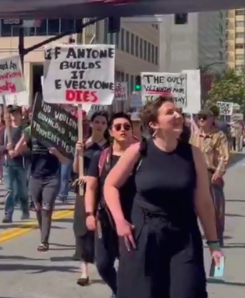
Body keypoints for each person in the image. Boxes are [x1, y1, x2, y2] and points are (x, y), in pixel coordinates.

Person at [104, 97, 224, 298]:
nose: (177, 115)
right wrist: (119, 221)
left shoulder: (193, 154)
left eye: (178, 112)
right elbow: (110, 185)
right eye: (170, 112)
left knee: (188, 292)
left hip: (183, 238)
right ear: (153, 124)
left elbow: (204, 202)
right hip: (144, 238)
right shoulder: (138, 152)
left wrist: (214, 244)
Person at [85, 112, 138, 297]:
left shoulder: (140, 157)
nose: (123, 130)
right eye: (118, 127)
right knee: (103, 264)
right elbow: (91, 187)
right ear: (110, 132)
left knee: (127, 263)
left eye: (127, 126)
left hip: (133, 219)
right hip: (105, 219)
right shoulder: (101, 157)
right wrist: (89, 214)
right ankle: (120, 292)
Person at [10, 110, 75, 255]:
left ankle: (44, 240)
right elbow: (16, 150)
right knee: (38, 209)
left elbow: (66, 160)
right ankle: (43, 232)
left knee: (46, 208)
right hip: (35, 177)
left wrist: (56, 153)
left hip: (52, 177)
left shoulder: (56, 135)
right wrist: (24, 137)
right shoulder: (30, 133)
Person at [72, 111, 109, 284]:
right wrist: (78, 152)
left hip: (104, 191)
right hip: (84, 191)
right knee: (82, 229)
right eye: (97, 122)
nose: (100, 125)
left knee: (103, 228)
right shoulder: (83, 144)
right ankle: (84, 272)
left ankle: (106, 263)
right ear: (91, 124)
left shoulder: (109, 146)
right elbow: (75, 169)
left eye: (103, 122)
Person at [189, 106, 230, 247]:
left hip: (211, 174)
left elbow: (224, 157)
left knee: (216, 208)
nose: (201, 120)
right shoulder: (194, 136)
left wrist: (219, 172)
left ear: (211, 120)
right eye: (199, 117)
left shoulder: (219, 135)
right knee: (192, 207)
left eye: (204, 117)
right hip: (195, 174)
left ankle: (218, 237)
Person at [0, 106, 29, 224]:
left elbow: (30, 150)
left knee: (22, 190)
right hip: (8, 165)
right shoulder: (4, 131)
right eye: (12, 114)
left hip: (21, 164)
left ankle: (25, 210)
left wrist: (19, 151)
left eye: (16, 113)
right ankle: (8, 214)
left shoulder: (25, 131)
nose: (14, 116)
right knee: (9, 190)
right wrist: (6, 149)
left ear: (20, 115)